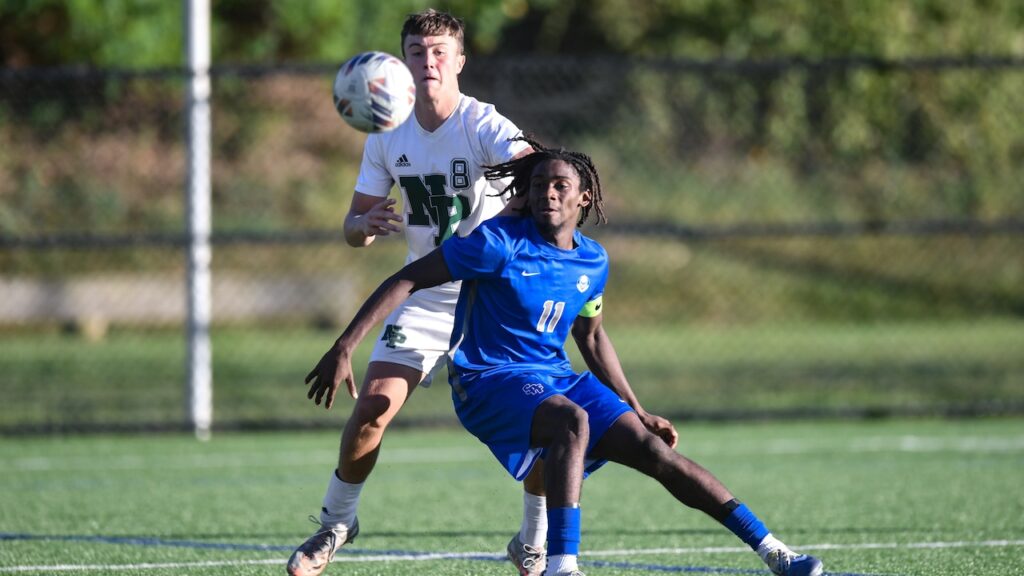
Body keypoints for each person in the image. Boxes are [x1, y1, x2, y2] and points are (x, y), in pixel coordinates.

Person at [304, 137, 825, 576]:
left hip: (553, 377)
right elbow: (408, 277)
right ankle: (562, 566)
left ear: (584, 196)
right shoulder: (498, 243)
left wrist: (637, 407)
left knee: (653, 450)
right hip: (487, 379)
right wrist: (344, 346)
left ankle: (774, 552)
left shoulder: (593, 261)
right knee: (570, 422)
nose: (548, 194)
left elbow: (592, 338)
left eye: (560, 186)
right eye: (538, 186)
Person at [287, 9, 549, 576]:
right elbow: (353, 230)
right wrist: (365, 225)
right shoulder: (386, 133)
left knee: (538, 421)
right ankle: (336, 524)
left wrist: (505, 221)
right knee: (371, 410)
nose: (427, 62)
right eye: (415, 52)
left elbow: (540, 173)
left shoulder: (484, 124)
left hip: (493, 300)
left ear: (458, 61)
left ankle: (532, 537)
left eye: (437, 52)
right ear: (400, 63)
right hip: (426, 294)